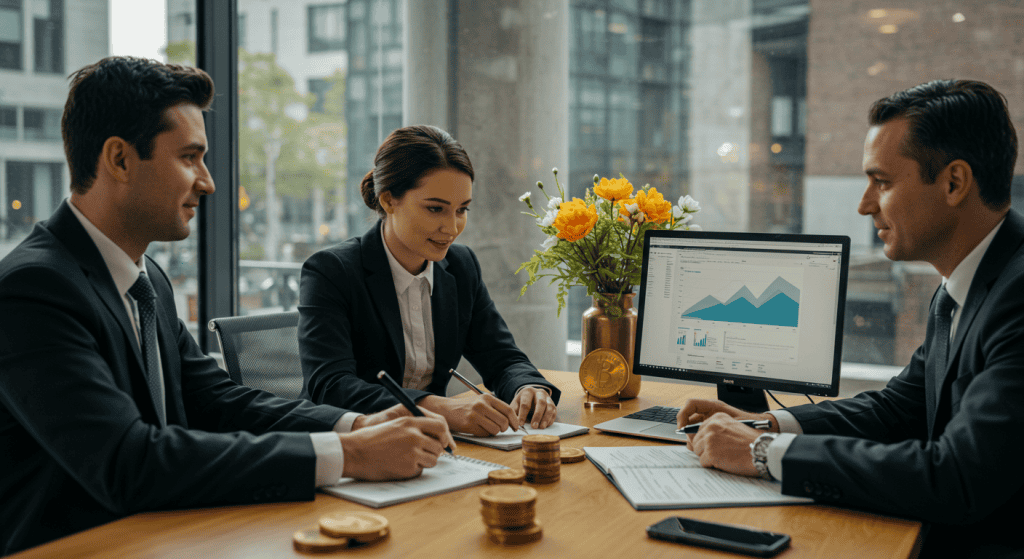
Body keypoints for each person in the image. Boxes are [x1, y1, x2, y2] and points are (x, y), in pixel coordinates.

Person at [0, 57, 455, 555]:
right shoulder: (33, 288)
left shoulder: (147, 277)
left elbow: (216, 400)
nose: (208, 181)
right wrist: (346, 454)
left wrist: (356, 424)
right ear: (119, 159)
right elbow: (128, 462)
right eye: (190, 157)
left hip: (165, 533)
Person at [677, 79, 1023, 558]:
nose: (864, 204)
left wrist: (761, 455)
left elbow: (958, 477)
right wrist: (767, 425)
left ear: (954, 183)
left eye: (881, 182)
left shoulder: (1018, 294)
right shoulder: (968, 282)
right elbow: (896, 410)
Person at [299, 125, 561, 436]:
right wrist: (440, 408)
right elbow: (331, 387)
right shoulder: (331, 271)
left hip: (433, 445)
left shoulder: (461, 266)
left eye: (461, 210)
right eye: (435, 209)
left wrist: (527, 387)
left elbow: (501, 357)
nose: (451, 228)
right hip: (350, 446)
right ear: (388, 201)